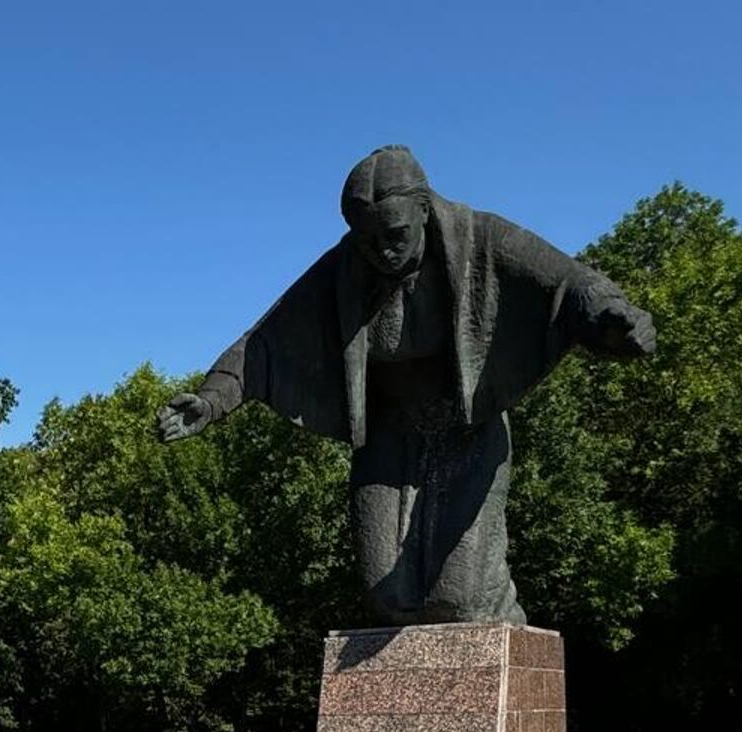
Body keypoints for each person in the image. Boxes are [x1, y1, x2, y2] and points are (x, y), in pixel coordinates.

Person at [156, 144, 655, 626]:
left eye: (393, 234)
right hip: (390, 435)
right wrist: (211, 399)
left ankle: (505, 629)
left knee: (458, 600)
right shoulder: (346, 266)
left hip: (467, 427)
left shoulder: (481, 238)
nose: (381, 250)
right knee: (387, 596)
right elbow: (265, 342)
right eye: (366, 238)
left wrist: (611, 317)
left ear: (424, 209)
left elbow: (569, 283)